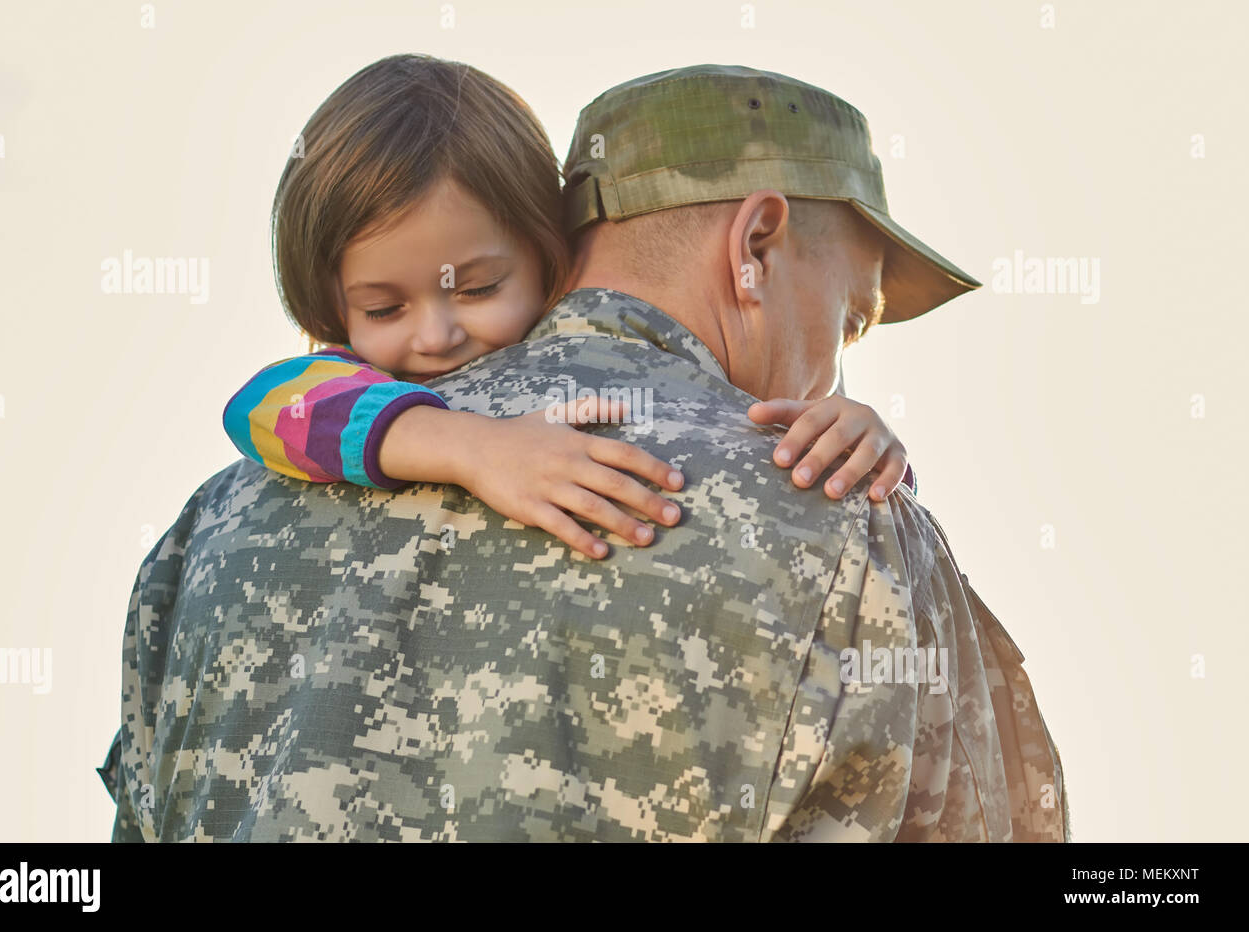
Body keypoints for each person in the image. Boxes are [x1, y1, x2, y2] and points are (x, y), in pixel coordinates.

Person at [98, 62, 1067, 842]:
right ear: (756, 243)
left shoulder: (216, 522)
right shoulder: (845, 522)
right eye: (852, 320)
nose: (836, 380)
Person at [218, 55, 915, 563]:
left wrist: (860, 440)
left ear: (549, 257)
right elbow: (259, 405)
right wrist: (471, 447)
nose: (434, 336)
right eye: (383, 308)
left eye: (477, 288)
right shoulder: (348, 384)